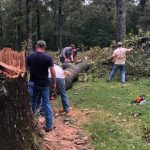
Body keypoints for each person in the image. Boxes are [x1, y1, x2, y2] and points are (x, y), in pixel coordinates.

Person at [26, 40, 56, 132]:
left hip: (33, 83)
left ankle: (32, 122)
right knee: (46, 103)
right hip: (44, 84)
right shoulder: (48, 57)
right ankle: (49, 126)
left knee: (33, 102)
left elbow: (26, 69)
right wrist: (54, 83)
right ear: (45, 47)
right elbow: (52, 72)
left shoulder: (30, 56)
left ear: (36, 46)